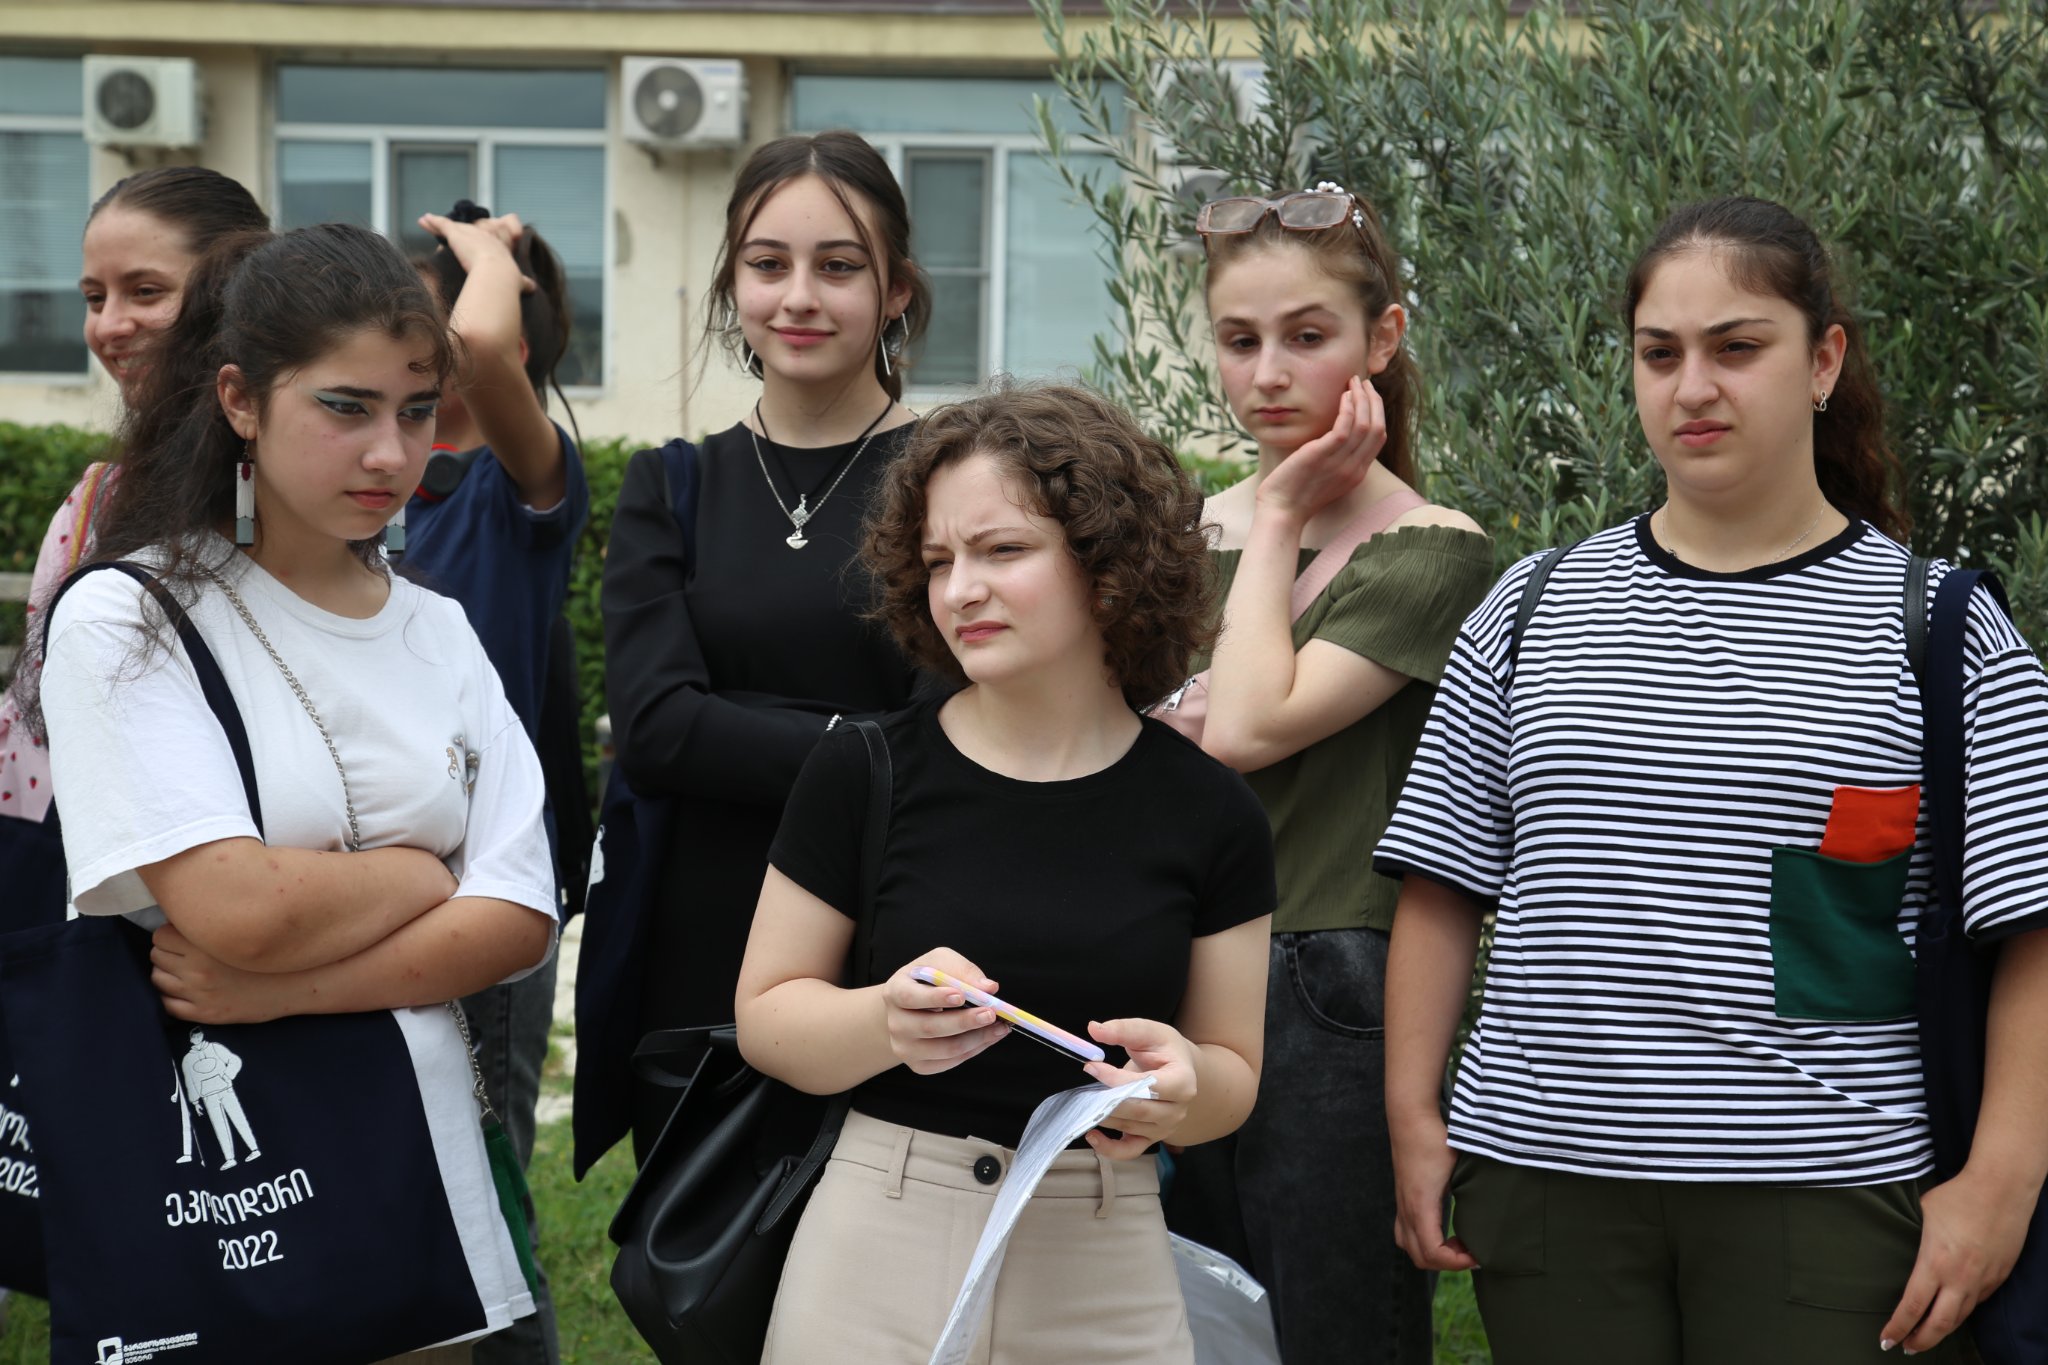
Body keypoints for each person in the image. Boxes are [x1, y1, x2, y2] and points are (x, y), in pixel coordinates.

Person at [1379, 196, 2048, 1364]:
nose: (1691, 388)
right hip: (1543, 1188)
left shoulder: (1936, 628)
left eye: (1735, 348)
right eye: (1659, 354)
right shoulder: (1530, 607)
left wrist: (2000, 1178)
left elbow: (2031, 928)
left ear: (1821, 361)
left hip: (1825, 1198)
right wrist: (1410, 1117)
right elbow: (1440, 887)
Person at [27, 221, 558, 1363]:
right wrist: (422, 873)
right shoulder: (128, 616)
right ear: (240, 400)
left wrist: (282, 991)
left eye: (416, 410)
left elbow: (519, 916)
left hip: (417, 1181)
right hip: (215, 1203)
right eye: (345, 407)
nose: (390, 452)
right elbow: (236, 907)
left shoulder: (440, 629)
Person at [734, 383, 1277, 1363]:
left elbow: (1233, 1074)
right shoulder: (862, 770)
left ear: (1108, 564)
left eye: (1001, 550)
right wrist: (884, 1022)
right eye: (940, 559)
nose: (959, 591)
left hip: (1104, 1263)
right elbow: (766, 1019)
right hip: (870, 1254)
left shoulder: (1213, 811)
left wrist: (1182, 1088)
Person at [1161, 183, 1493, 1363]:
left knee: (1330, 1328)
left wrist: (1280, 514)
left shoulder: (1431, 548)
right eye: (1238, 339)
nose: (1267, 374)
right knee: (1182, 1320)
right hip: (1166, 962)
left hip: (1327, 975)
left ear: (1380, 339)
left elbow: (1246, 727)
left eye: (1306, 336)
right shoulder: (1175, 534)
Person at [597, 130, 926, 1161]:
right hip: (700, 944)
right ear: (731, 283)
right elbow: (655, 730)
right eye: (768, 264)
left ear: (896, 290)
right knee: (705, 1248)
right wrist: (858, 739)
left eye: (839, 266)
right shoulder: (672, 486)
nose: (799, 297)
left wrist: (735, 727)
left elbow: (954, 739)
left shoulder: (955, 482)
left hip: (891, 938)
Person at [408, 201, 590, 1365]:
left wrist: (486, 253)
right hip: (351, 891)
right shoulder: (358, 485)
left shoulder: (521, 490)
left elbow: (477, 345)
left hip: (483, 898)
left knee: (481, 1195)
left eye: (417, 322)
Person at [1, 167, 267, 838]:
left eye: (146, 291)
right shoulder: (96, 502)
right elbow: (39, 727)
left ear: (235, 293)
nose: (110, 326)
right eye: (95, 298)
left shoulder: (327, 494)